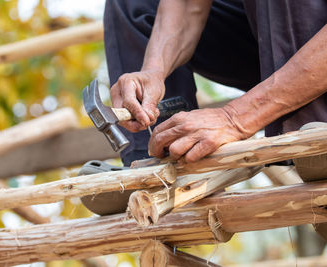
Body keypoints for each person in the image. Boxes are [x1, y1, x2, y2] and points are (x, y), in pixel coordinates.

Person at [102, 0, 327, 238]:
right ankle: (157, 171)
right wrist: (153, 70)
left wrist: (235, 117)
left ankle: (315, 147)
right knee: (133, 3)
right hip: (270, 41)